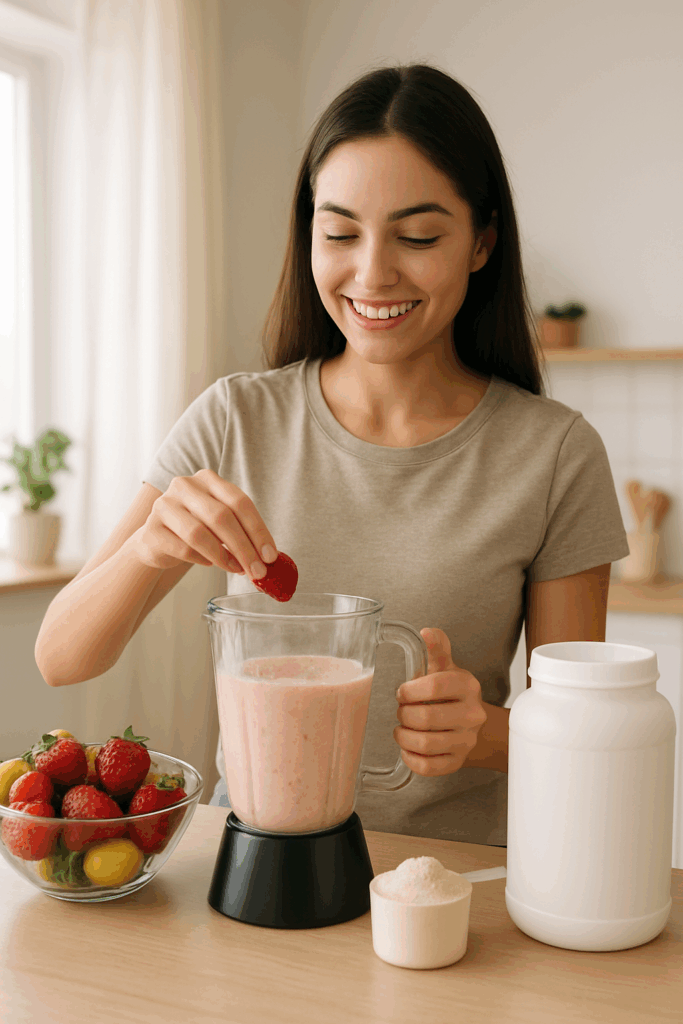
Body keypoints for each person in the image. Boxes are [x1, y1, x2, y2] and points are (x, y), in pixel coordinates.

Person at [34, 62, 629, 847]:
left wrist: (487, 733)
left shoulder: (554, 454)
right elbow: (61, 656)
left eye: (417, 236)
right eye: (340, 232)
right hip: (251, 862)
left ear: (482, 242)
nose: (372, 272)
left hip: (454, 889)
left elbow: (593, 737)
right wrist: (150, 544)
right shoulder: (234, 417)